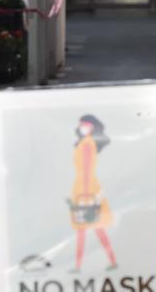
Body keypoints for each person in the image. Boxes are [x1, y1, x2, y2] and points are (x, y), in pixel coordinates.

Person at [68, 115, 117, 272]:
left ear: (92, 127)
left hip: (87, 189)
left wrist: (88, 195)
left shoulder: (88, 144)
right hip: (83, 188)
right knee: (88, 228)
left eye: (86, 124)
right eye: (81, 124)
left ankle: (81, 265)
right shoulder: (83, 143)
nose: (83, 127)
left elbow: (88, 169)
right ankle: (79, 265)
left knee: (93, 227)